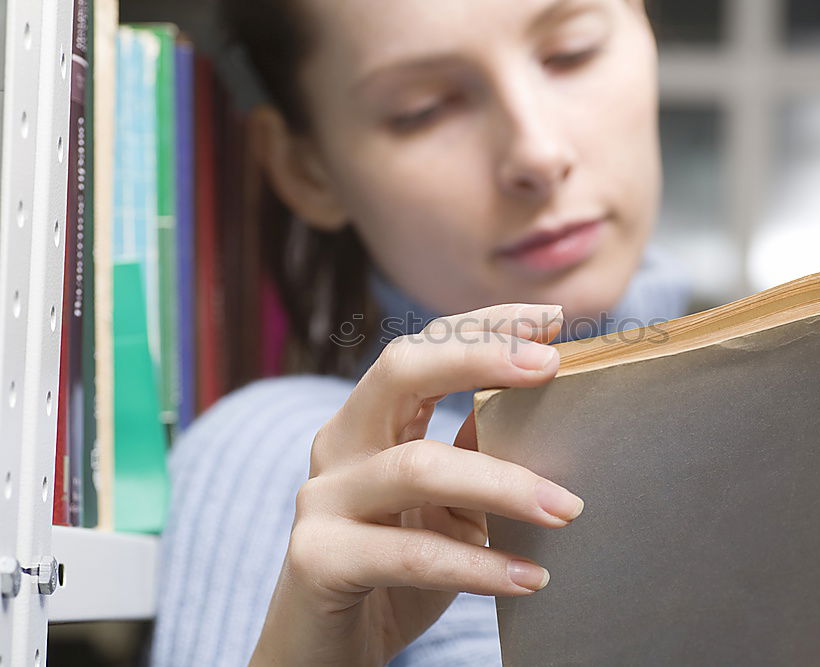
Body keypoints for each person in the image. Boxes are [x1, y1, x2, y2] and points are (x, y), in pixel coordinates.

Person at [150, 0, 688, 664]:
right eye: (423, 107)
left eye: (571, 53)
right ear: (307, 168)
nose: (539, 153)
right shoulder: (281, 466)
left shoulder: (784, 402)